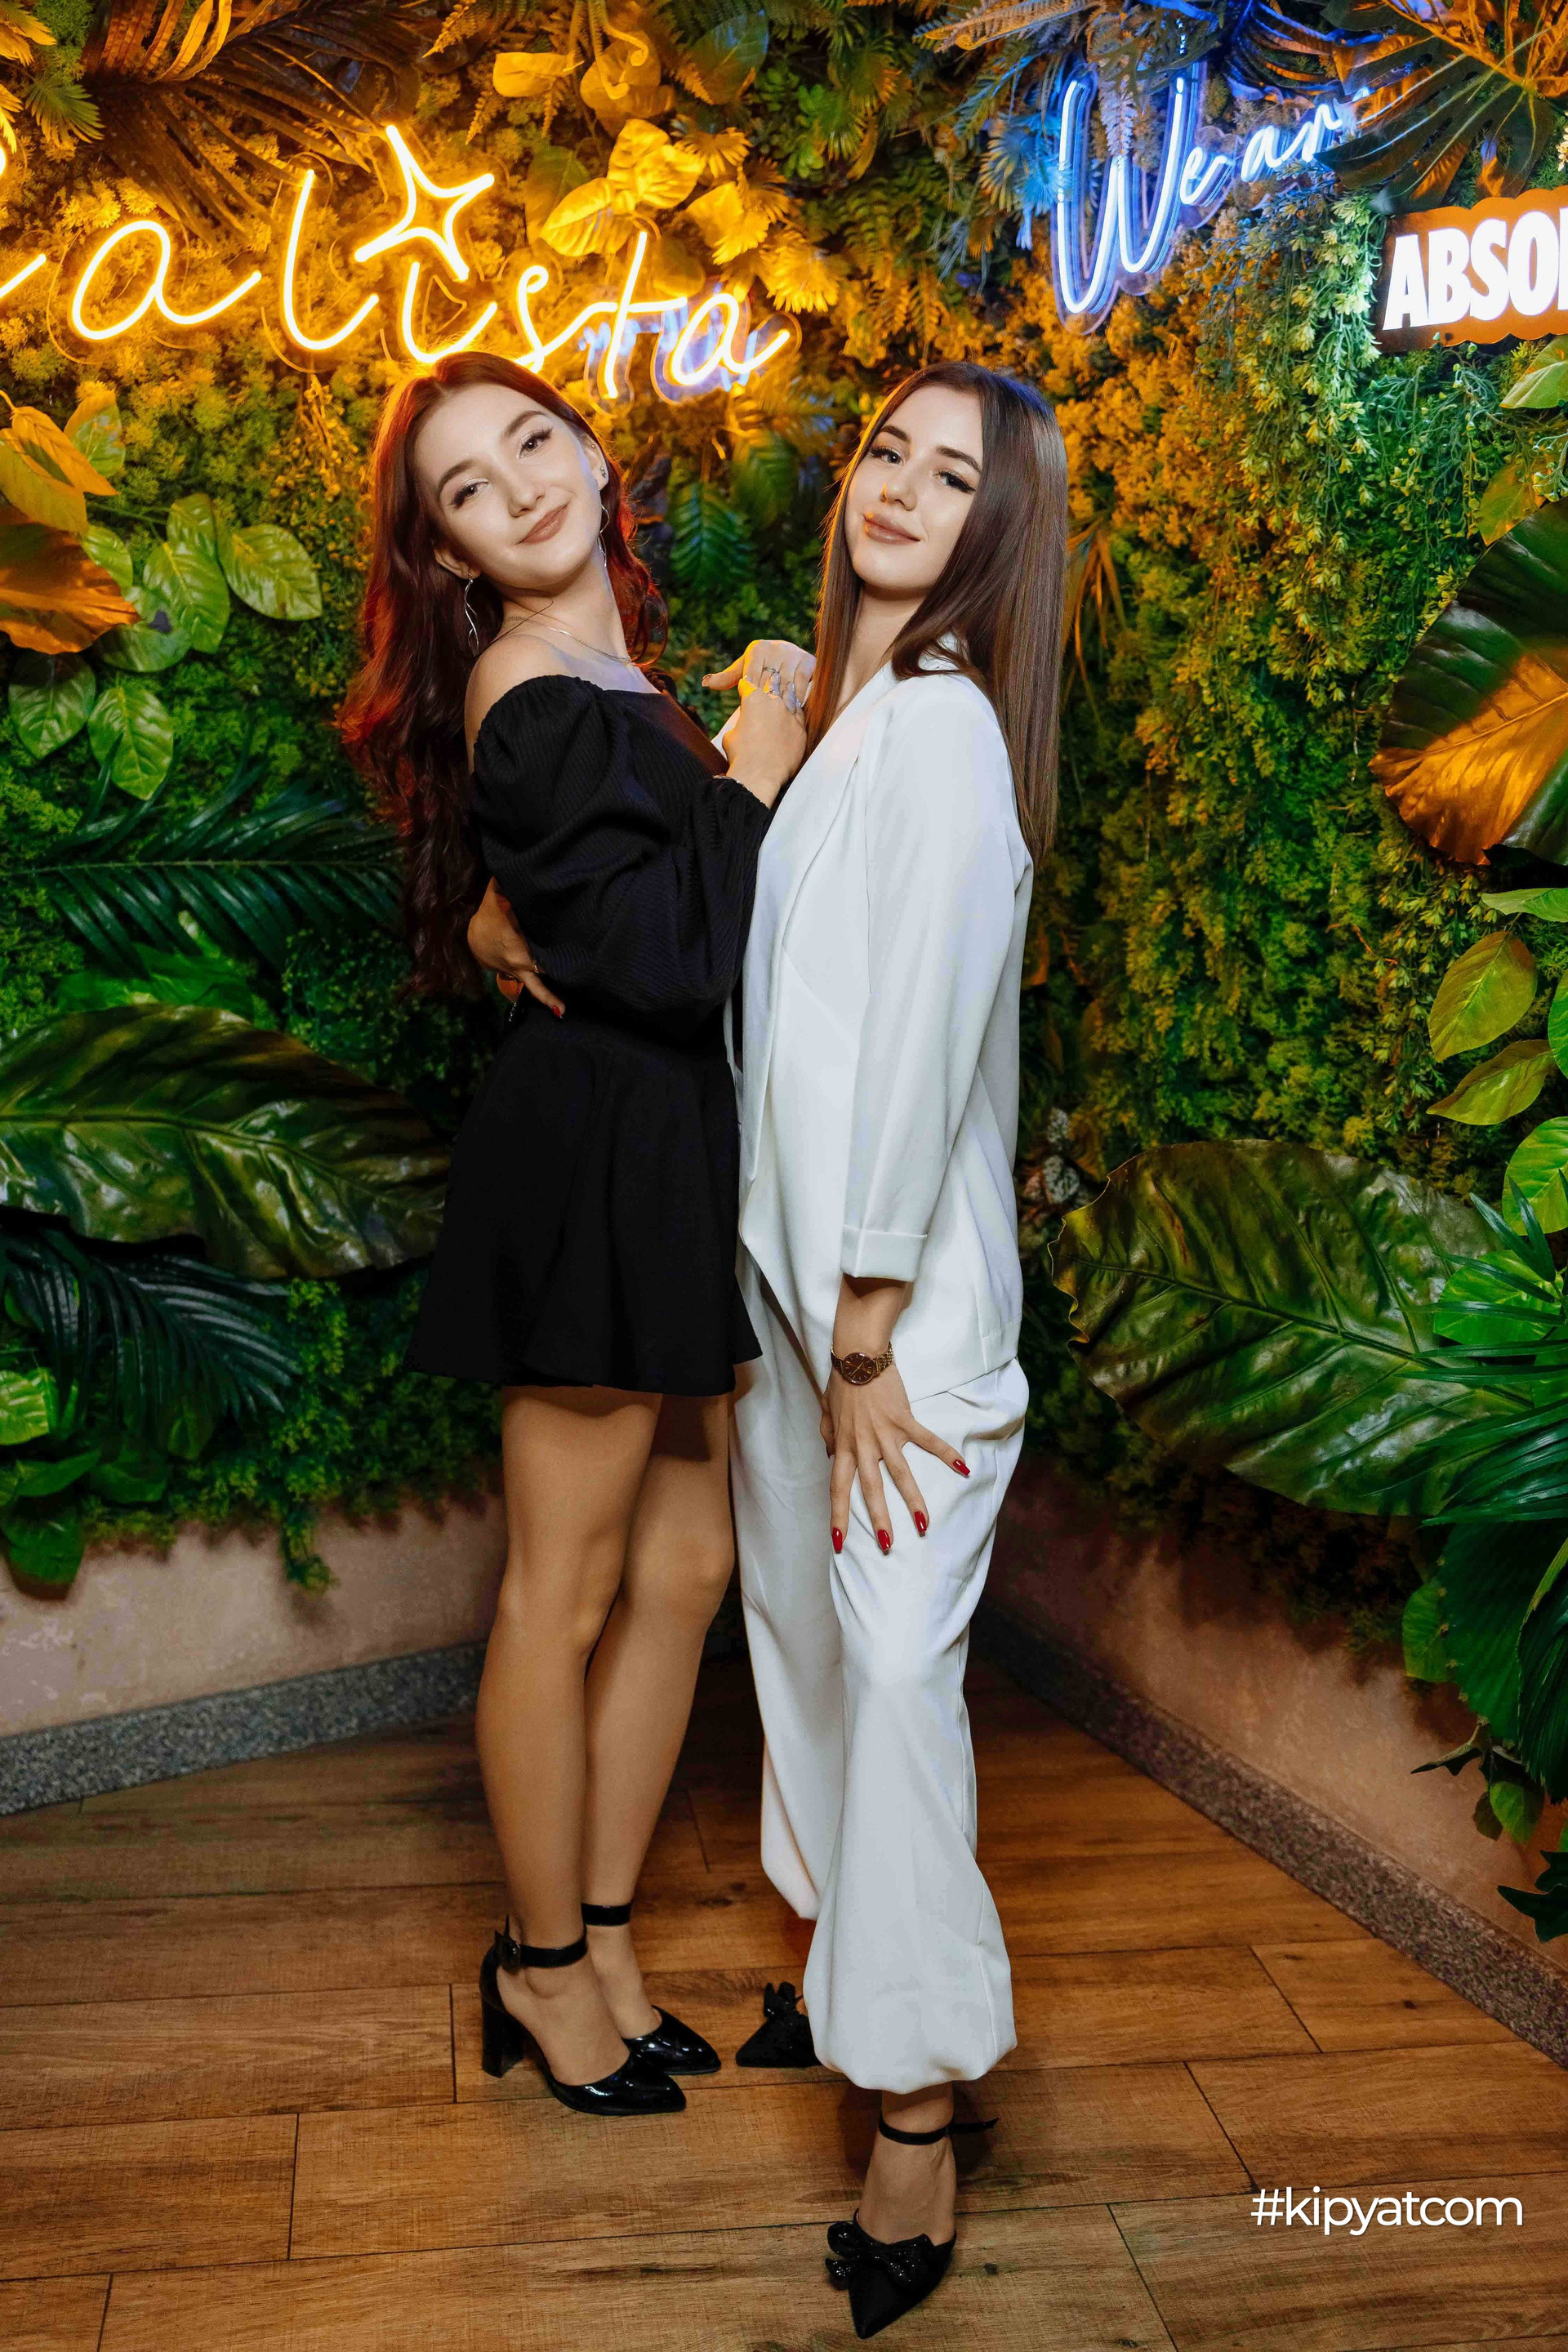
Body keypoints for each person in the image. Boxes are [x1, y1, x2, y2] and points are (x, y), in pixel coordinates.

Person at [474, 357, 1067, 2334]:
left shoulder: (948, 730)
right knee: (806, 1645)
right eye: (885, 452)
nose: (897, 488)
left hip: (888, 1324)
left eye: (950, 476)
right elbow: (720, 961)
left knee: (893, 1677)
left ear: (999, 528)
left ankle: (918, 2113)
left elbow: (922, 1041)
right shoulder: (841, 723)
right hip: (786, 1302)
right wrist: (503, 930)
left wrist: (873, 1319)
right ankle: (830, 1967)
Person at [339, 351, 806, 2119]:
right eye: (468, 486)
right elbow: (674, 962)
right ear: (449, 554)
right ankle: (538, 1969)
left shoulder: (614, 676)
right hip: (591, 1159)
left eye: (533, 440)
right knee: (567, 1587)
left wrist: (742, 747)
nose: (521, 486)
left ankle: (603, 1939)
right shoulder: (531, 694)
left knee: (683, 1574)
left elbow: (626, 917)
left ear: (595, 452)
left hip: (668, 1151)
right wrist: (762, 764)